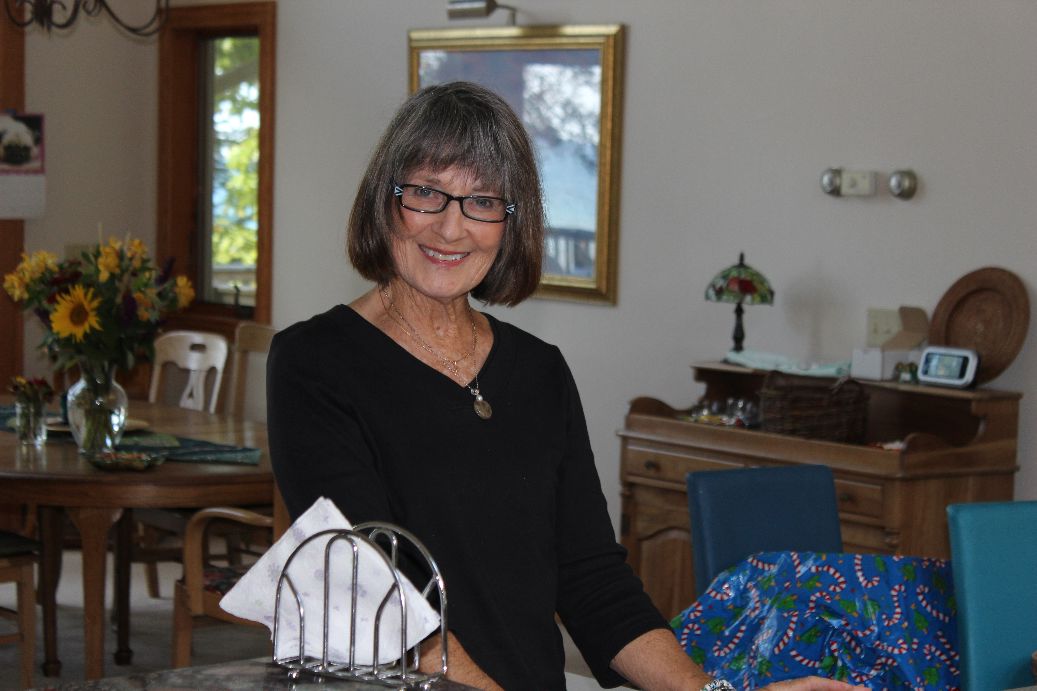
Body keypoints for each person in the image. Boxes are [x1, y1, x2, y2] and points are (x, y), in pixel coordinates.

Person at [267, 81, 861, 691]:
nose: (451, 227)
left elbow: (591, 577)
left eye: (482, 201)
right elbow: (382, 599)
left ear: (511, 222)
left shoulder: (538, 370)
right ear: (385, 201)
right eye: (426, 193)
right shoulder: (315, 362)